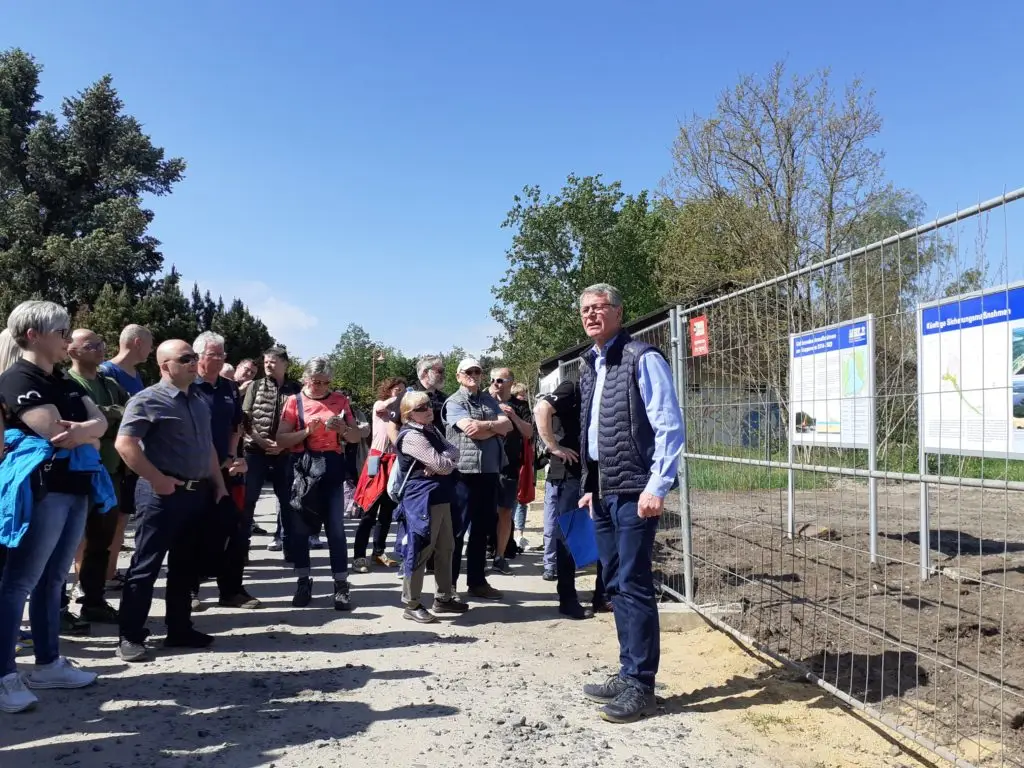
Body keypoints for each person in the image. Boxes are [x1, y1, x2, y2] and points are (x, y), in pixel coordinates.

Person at [576, 283, 685, 723]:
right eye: (586, 309)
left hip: (635, 491)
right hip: (603, 491)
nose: (592, 315)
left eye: (600, 308)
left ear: (619, 313)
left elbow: (669, 427)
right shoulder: (590, 364)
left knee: (635, 584)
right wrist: (589, 482)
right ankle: (627, 672)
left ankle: (641, 684)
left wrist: (657, 486)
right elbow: (593, 430)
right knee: (615, 584)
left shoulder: (644, 358)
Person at [0, 301, 110, 712]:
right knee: (19, 582)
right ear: (33, 334)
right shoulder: (16, 379)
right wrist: (86, 430)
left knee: (54, 580)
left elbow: (99, 427)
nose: (67, 339)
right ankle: (4, 675)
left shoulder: (63, 381)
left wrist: (83, 430)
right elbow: (52, 431)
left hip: (74, 487)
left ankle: (47, 664)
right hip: (44, 490)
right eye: (61, 332)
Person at [114, 340, 230, 662]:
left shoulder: (199, 401)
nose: (195, 363)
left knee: (185, 566)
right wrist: (157, 479)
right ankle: (130, 635)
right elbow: (125, 445)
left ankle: (179, 629)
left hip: (197, 494)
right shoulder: (148, 399)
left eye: (195, 357)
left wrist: (218, 484)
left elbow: (207, 447)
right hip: (161, 495)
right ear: (166, 366)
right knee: (146, 565)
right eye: (186, 359)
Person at [276, 357, 363, 610]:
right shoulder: (294, 402)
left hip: (332, 467)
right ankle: (303, 581)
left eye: (326, 383)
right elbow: (281, 439)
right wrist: (306, 432)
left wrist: (343, 431)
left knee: (336, 529)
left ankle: (341, 585)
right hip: (303, 468)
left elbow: (356, 435)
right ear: (306, 379)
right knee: (300, 529)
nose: (322, 387)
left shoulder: (340, 400)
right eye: (317, 382)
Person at [66, 329, 130, 625]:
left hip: (111, 472)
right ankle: (60, 608)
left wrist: (103, 419)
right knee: (65, 544)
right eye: (91, 345)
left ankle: (94, 600)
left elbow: (129, 414)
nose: (99, 349)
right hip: (77, 474)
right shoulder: (66, 383)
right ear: (72, 350)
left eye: (101, 343)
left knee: (101, 543)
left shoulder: (110, 382)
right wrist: (104, 420)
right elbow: (77, 421)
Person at [534, 378, 610, 620]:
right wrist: (553, 446)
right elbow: (541, 408)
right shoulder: (573, 387)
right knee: (569, 533)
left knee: (606, 532)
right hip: (571, 471)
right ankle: (567, 598)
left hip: (600, 470)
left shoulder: (608, 385)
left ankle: (603, 595)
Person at [191, 332, 254, 611]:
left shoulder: (229, 388)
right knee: (191, 532)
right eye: (213, 354)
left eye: (222, 354)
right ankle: (189, 591)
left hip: (227, 469)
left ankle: (231, 591)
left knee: (235, 530)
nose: (218, 359)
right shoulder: (187, 386)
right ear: (198, 357)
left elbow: (236, 427)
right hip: (193, 470)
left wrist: (234, 456)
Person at [392, 391, 467, 623]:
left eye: (428, 405)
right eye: (421, 408)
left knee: (446, 547)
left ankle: (443, 598)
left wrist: (441, 462)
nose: (429, 409)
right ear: (408, 414)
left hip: (440, 496)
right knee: (420, 548)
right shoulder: (411, 436)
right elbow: (444, 465)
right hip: (421, 500)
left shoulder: (430, 430)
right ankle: (411, 603)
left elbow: (455, 452)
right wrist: (441, 463)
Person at [442, 358, 511, 600]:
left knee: (482, 529)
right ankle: (448, 586)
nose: (473, 375)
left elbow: (507, 426)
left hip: (489, 471)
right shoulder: (454, 401)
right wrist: (494, 426)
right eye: (468, 371)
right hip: (463, 472)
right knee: (457, 531)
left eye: (477, 371)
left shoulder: (488, 399)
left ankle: (477, 582)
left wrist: (488, 425)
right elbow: (467, 427)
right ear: (458, 376)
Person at [98, 323, 153, 593]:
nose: (152, 350)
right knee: (104, 518)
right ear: (137, 343)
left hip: (131, 459)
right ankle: (95, 577)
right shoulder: (107, 372)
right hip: (109, 457)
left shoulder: (137, 375)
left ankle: (111, 572)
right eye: (150, 343)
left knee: (122, 516)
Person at [241, 347, 301, 554]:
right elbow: (246, 416)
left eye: (273, 361)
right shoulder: (255, 386)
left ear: (285, 364)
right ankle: (241, 547)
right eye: (266, 361)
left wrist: (284, 444)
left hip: (285, 452)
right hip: (255, 450)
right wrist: (262, 441)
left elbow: (301, 421)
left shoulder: (296, 389)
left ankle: (288, 545)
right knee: (248, 498)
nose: (268, 365)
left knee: (287, 500)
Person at [351, 377, 406, 572]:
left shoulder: (403, 412)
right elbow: (382, 406)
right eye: (396, 389)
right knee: (369, 510)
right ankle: (358, 555)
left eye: (402, 390)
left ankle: (378, 552)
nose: (399, 392)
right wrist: (400, 398)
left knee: (387, 511)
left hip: (394, 461)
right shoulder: (380, 406)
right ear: (388, 390)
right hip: (376, 459)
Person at [488, 368, 533, 574]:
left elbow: (529, 432)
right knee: (483, 512)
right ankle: (481, 553)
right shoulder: (484, 401)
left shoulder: (520, 405)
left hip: (509, 466)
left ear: (510, 382)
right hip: (485, 465)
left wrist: (513, 415)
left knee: (505, 512)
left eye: (500, 380)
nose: (495, 383)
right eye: (492, 380)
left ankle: (500, 554)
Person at [510, 382, 532, 549]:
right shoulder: (512, 409)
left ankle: (519, 534)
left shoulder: (525, 410)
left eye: (524, 394)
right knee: (512, 498)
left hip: (525, 458)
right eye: (519, 394)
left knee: (522, 498)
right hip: (515, 458)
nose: (522, 397)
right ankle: (511, 534)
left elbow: (531, 433)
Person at [415, 355, 448, 425]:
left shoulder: (445, 398)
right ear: (425, 373)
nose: (443, 375)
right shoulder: (409, 395)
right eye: (440, 371)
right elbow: (393, 426)